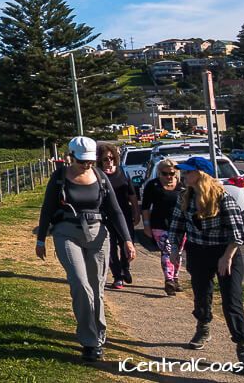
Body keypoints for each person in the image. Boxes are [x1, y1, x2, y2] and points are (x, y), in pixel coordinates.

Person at [36, 136, 135, 362]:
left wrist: (127, 240)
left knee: (97, 286)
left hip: (98, 234)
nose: (87, 165)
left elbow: (116, 210)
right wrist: (41, 239)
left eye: (90, 161)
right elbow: (47, 208)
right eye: (82, 162)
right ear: (70, 157)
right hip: (66, 232)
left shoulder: (100, 177)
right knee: (81, 285)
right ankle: (89, 341)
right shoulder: (60, 177)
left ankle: (99, 333)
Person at [167, 156, 244, 373]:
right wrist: (175, 250)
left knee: (231, 301)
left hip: (226, 252)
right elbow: (177, 227)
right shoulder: (184, 197)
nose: (183, 175)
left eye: (188, 172)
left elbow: (238, 233)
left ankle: (243, 350)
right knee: (201, 295)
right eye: (184, 172)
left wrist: (226, 257)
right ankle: (203, 325)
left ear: (201, 174)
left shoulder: (223, 197)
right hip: (198, 252)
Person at [140, 158, 185, 295]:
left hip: (179, 226)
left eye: (171, 173)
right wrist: (146, 226)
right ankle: (169, 280)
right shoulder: (153, 186)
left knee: (178, 252)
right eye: (165, 174)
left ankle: (175, 278)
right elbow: (146, 207)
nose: (168, 177)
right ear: (159, 173)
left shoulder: (182, 186)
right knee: (167, 250)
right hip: (159, 225)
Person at [98, 142, 140, 288]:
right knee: (110, 247)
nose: (109, 161)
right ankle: (117, 276)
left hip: (124, 214)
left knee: (127, 244)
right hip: (105, 217)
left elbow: (132, 194)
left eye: (111, 158)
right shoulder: (98, 175)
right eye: (105, 159)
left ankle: (125, 269)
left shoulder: (122, 172)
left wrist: (136, 211)